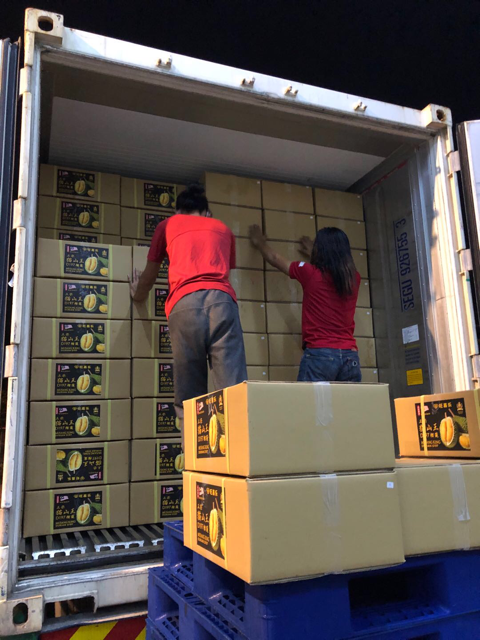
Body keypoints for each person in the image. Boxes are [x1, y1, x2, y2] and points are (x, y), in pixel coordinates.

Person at [130, 184, 247, 434]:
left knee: (190, 397)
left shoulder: (168, 225)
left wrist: (137, 295)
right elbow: (225, 272)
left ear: (178, 211)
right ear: (206, 212)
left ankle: (194, 455)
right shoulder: (223, 229)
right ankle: (235, 453)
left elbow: (149, 276)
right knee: (232, 391)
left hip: (185, 306)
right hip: (223, 303)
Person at [249, 224, 362, 382]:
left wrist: (260, 243)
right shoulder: (354, 279)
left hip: (320, 355)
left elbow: (274, 258)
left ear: (320, 250)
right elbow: (333, 271)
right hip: (350, 357)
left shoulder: (309, 273)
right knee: (347, 399)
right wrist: (314, 253)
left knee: (309, 399)